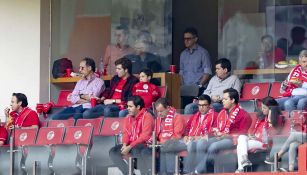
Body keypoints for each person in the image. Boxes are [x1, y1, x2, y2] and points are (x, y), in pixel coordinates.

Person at [194, 88, 252, 174]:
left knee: (213, 146)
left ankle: (199, 170)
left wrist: (226, 135)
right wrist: (215, 133)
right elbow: (215, 128)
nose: (222, 101)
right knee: (201, 143)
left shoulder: (244, 115)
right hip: (220, 137)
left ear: (232, 100)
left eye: (225, 99)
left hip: (232, 140)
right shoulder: (222, 112)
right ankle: (204, 170)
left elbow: (242, 134)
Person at [236, 96, 284, 173]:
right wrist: (250, 135)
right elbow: (251, 129)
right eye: (262, 107)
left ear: (271, 109)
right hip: (255, 139)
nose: (262, 109)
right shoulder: (260, 116)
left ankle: (241, 168)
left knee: (240, 146)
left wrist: (269, 120)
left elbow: (273, 134)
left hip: (265, 143)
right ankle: (244, 162)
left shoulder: (278, 118)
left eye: (265, 108)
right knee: (242, 137)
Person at [109, 96, 154, 175]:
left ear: (138, 107)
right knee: (113, 152)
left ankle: (145, 173)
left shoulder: (147, 116)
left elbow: (145, 136)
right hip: (131, 144)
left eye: (130, 106)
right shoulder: (127, 117)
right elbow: (125, 133)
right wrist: (124, 145)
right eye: (127, 106)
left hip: (144, 144)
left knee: (136, 149)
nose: (128, 108)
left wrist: (129, 147)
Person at [183, 94, 217, 173]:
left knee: (199, 143)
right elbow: (187, 128)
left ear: (210, 105)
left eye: (204, 105)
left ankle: (198, 171)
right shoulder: (194, 116)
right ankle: (189, 171)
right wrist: (185, 136)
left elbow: (216, 131)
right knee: (190, 144)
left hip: (207, 140)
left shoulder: (215, 116)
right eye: (199, 105)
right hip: (192, 139)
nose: (201, 108)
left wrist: (200, 137)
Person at [154, 98, 186, 175]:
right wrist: (155, 140)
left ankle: (170, 172)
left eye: (161, 111)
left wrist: (162, 142)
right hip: (162, 144)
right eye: (157, 111)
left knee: (168, 146)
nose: (159, 114)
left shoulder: (177, 117)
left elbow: (177, 136)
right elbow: (155, 134)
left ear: (168, 108)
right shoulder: (158, 119)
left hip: (179, 142)